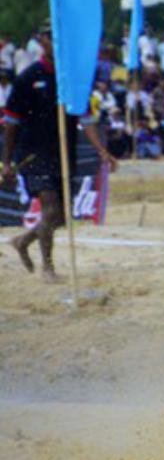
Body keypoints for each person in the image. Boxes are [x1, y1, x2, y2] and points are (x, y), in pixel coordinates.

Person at [2, 27, 119, 282]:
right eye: (49, 38)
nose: (54, 43)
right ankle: (48, 268)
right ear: (41, 42)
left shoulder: (72, 79)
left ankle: (23, 240)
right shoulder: (28, 78)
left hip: (63, 154)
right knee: (51, 210)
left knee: (61, 217)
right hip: (32, 154)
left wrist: (102, 151)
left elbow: (85, 118)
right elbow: (11, 122)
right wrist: (7, 161)